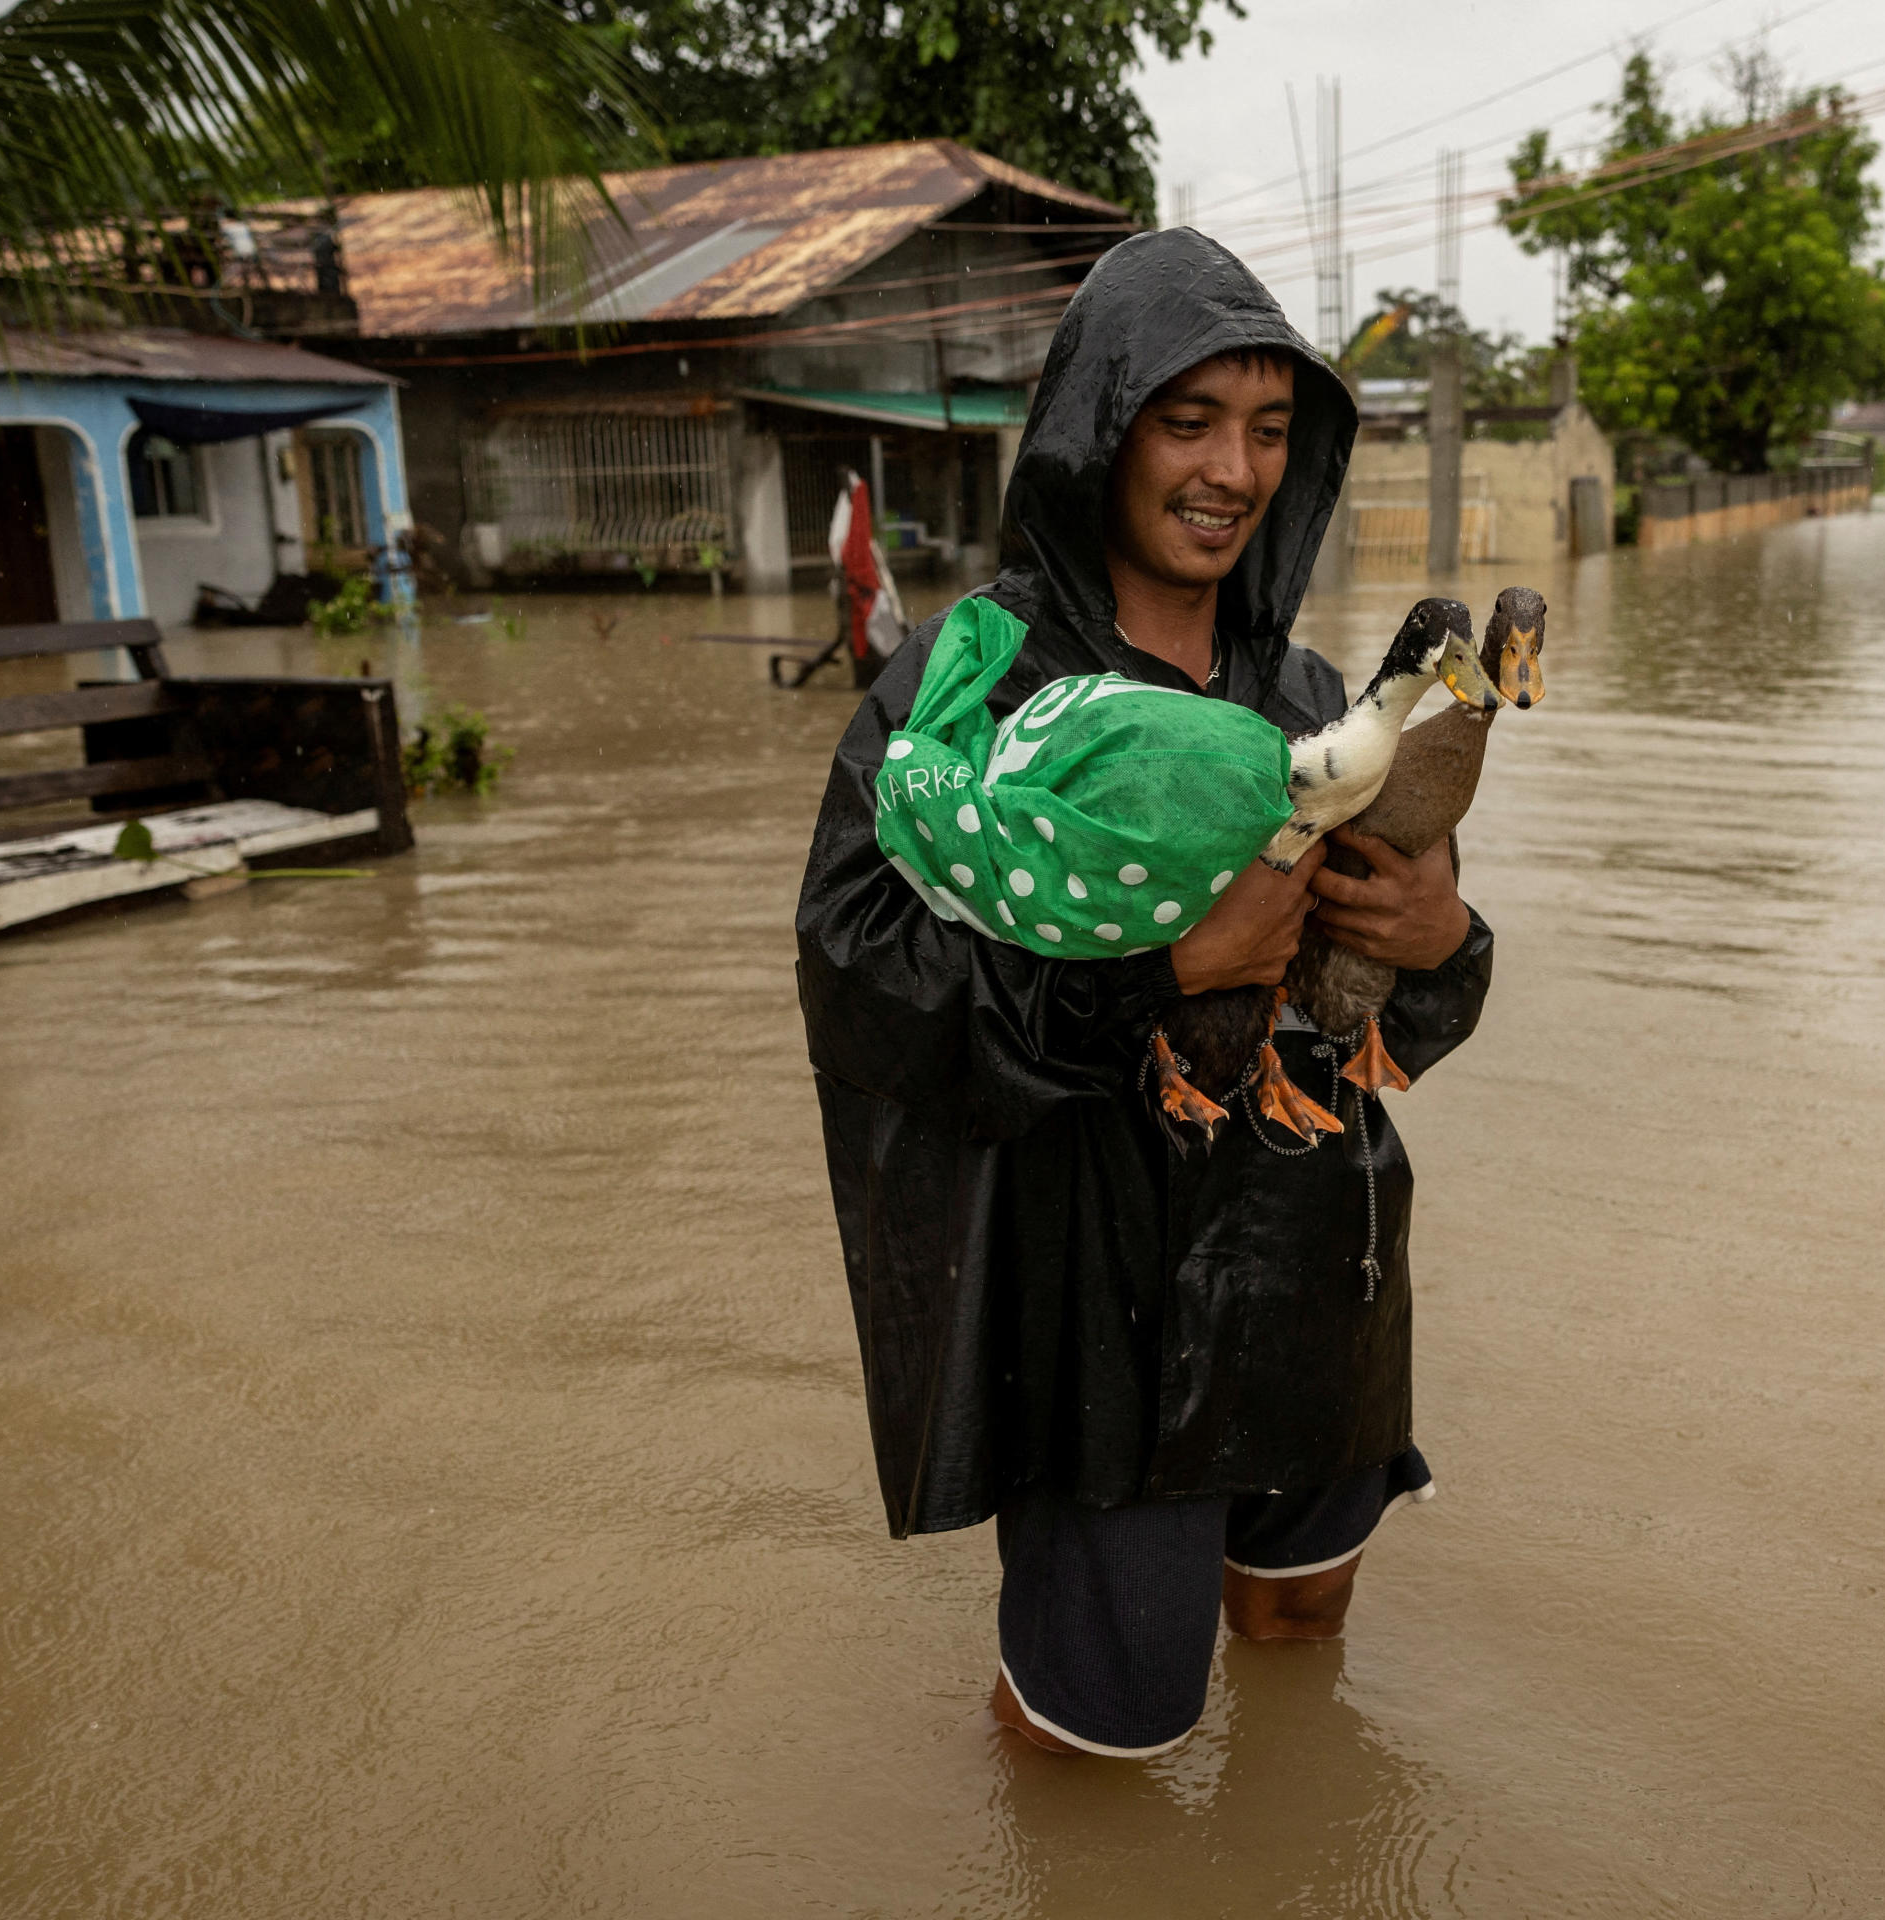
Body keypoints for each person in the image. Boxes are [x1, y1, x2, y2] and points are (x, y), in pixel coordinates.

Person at [795, 228, 1493, 1759]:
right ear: (1097, 434)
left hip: (1322, 1265)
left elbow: (1401, 1022)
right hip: (1102, 1304)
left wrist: (1444, 942)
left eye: (1267, 430)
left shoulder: (1316, 702)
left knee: (1301, 1631)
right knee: (1104, 1737)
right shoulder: (968, 693)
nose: (1233, 470)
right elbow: (860, 980)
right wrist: (1159, 972)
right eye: (1189, 421)